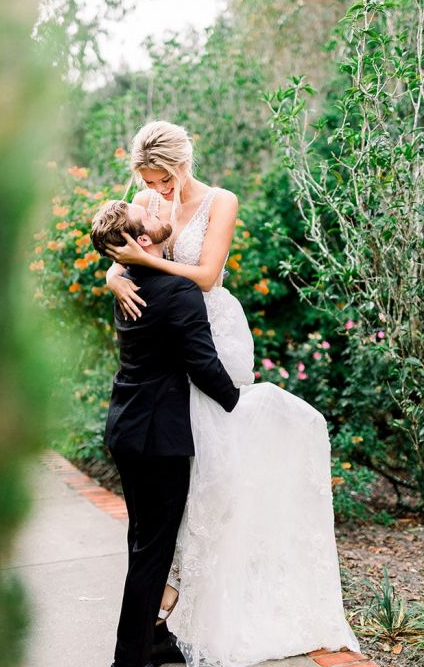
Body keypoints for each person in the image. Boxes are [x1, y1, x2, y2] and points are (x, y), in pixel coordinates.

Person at [104, 120, 361, 667]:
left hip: (210, 329)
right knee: (182, 474)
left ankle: (190, 603)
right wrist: (112, 275)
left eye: (165, 181)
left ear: (182, 166)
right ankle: (165, 608)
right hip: (171, 331)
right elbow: (121, 244)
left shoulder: (221, 200)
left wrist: (146, 263)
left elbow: (206, 273)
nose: (160, 193)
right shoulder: (145, 197)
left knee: (218, 471)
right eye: (150, 182)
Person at [90, 199, 240, 667]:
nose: (158, 212)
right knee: (154, 551)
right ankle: (129, 659)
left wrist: (115, 272)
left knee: (145, 542)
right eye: (150, 216)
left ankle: (154, 642)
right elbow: (202, 364)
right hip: (159, 438)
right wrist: (240, 402)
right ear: (144, 241)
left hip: (127, 428)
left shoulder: (127, 283)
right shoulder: (177, 291)